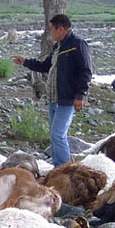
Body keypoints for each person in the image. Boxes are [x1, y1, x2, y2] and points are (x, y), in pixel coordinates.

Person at [12, 14, 92, 167]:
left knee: (58, 134)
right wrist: (26, 62)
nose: (50, 33)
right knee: (55, 135)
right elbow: (45, 66)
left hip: (68, 98)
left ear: (60, 28)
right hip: (55, 97)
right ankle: (58, 167)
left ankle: (65, 170)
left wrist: (80, 95)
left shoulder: (78, 44)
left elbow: (86, 71)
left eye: (51, 29)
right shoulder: (58, 46)